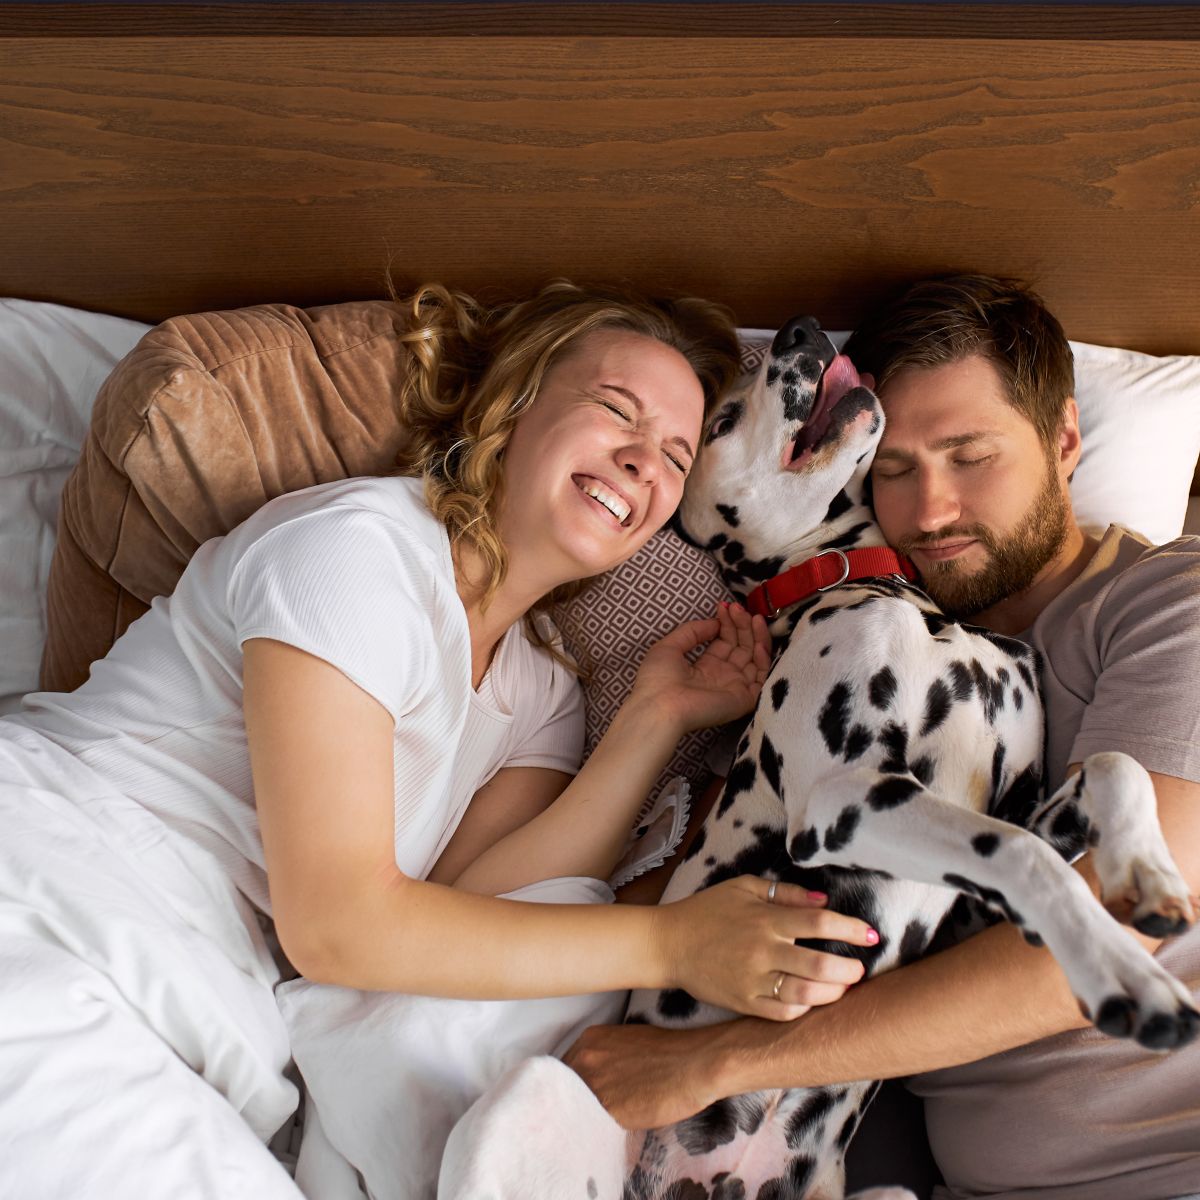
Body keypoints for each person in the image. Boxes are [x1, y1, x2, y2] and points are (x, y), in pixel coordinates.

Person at [0, 280, 881, 1200]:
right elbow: (342, 925)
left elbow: (468, 916)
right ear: (512, 406)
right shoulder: (358, 552)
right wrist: (673, 946)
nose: (641, 462)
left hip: (204, 1020)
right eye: (615, 411)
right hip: (64, 901)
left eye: (674, 454)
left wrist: (653, 719)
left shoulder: (539, 689)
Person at [563, 274, 1200, 1200]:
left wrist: (714, 1065)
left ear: (1066, 440)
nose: (931, 510)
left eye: (969, 454)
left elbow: (1112, 929)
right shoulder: (895, 649)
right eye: (894, 470)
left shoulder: (1168, 600)